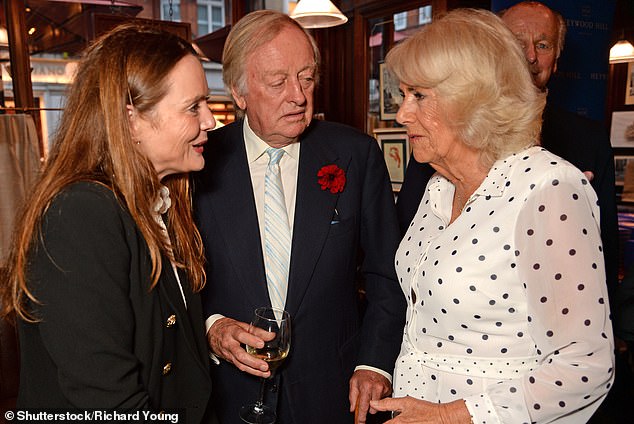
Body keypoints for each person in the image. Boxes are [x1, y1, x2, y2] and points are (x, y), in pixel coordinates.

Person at [370, 8, 614, 423]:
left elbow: (586, 366)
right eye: (403, 95)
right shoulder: (439, 187)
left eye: (419, 96)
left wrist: (452, 415)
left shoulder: (547, 187)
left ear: (473, 98)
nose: (403, 114)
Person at [193, 10, 405, 424]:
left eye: (306, 78)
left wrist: (375, 364)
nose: (299, 96)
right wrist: (212, 328)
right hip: (228, 396)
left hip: (334, 394)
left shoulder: (355, 156)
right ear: (239, 92)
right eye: (277, 82)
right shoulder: (198, 164)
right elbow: (177, 285)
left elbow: (388, 273)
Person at [0, 23, 216, 422]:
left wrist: (211, 335)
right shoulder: (81, 213)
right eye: (194, 106)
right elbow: (106, 398)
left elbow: (155, 339)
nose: (211, 121)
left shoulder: (161, 203)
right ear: (131, 120)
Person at [395, 2, 619, 305]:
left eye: (543, 44)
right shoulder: (438, 157)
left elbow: (596, 279)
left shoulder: (567, 163)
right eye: (516, 43)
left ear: (556, 60)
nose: (529, 56)